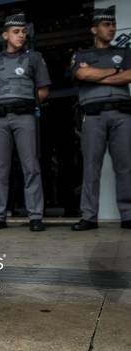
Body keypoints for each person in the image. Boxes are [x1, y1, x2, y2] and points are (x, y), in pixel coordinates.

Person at [0, 12, 50, 232]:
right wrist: (1, 101)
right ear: (5, 35)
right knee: (0, 168)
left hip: (24, 117)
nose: (21, 36)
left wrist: (26, 102)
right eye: (16, 32)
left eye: (23, 32)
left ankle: (35, 216)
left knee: (31, 166)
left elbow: (43, 90)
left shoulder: (34, 58)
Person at [70, 6, 131, 231]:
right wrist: (115, 72)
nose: (112, 28)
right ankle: (89, 216)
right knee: (91, 167)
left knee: (125, 166)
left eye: (113, 24)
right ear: (94, 29)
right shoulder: (81, 54)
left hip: (122, 114)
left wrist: (97, 75)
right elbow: (82, 74)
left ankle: (128, 214)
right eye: (106, 25)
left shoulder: (125, 52)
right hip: (93, 116)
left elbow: (130, 75)